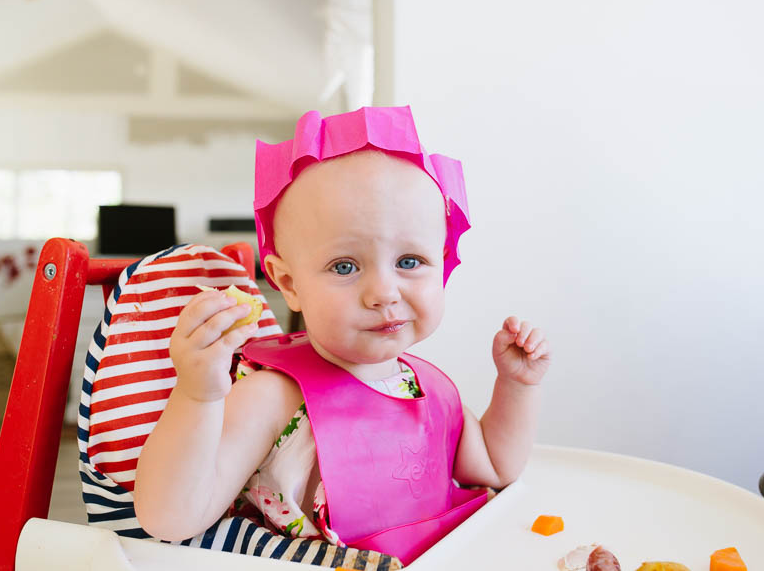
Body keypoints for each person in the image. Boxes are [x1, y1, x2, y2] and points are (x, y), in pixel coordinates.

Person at [134, 106, 551, 565]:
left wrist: (516, 386)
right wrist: (199, 395)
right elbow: (170, 520)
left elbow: (495, 467)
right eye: (345, 267)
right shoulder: (272, 397)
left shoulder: (431, 391)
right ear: (289, 284)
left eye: (409, 261)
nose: (383, 293)